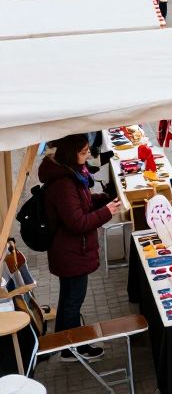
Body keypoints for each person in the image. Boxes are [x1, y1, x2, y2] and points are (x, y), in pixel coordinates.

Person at [40, 134, 121, 361]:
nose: (88, 156)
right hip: (71, 253)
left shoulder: (71, 174)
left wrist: (105, 199)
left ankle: (61, 345)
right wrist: (107, 212)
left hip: (71, 251)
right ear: (70, 153)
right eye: (84, 152)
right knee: (72, 301)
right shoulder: (64, 183)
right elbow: (77, 222)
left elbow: (82, 202)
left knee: (69, 299)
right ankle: (73, 349)